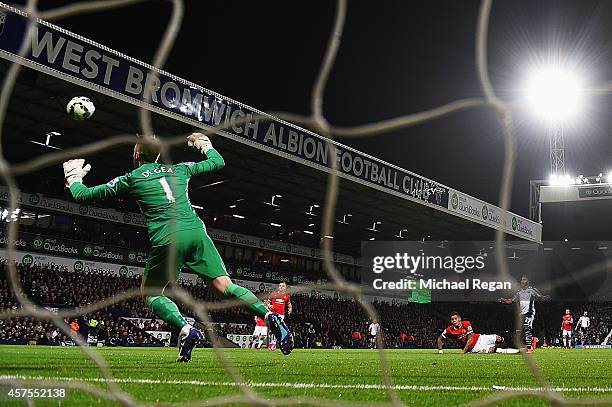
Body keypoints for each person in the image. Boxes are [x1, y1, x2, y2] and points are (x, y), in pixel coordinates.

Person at [63, 133, 293, 361]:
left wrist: (74, 178)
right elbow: (218, 162)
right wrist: (205, 146)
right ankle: (269, 315)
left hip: (168, 237)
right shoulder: (180, 169)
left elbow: (84, 196)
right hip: (196, 231)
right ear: (160, 154)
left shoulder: (132, 177)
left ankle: (185, 328)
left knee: (152, 293)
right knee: (225, 285)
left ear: (135, 154)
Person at [500, 274, 550, 353]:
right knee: (520, 331)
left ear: (528, 281)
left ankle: (529, 349)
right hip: (521, 314)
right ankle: (531, 342)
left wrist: (545, 297)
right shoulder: (519, 292)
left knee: (527, 329)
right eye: (522, 280)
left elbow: (539, 297)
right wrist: (504, 300)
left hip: (529, 312)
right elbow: (512, 300)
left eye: (524, 279)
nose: (522, 281)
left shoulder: (532, 290)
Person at [437, 311, 518, 354]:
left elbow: (471, 338)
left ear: (459, 319)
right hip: (474, 348)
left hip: (480, 338)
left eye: (456, 318)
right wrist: (440, 350)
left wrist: (463, 351)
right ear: (450, 321)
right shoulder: (449, 330)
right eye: (452, 319)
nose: (454, 321)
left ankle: (508, 345)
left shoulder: (466, 323)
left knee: (498, 338)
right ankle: (515, 351)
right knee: (492, 350)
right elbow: (440, 338)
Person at [268, 282, 292, 351]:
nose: (281, 287)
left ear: (285, 288)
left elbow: (289, 304)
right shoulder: (273, 294)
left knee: (276, 328)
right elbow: (267, 302)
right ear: (278, 287)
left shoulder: (287, 296)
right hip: (272, 313)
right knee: (271, 330)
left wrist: (290, 309)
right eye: (280, 286)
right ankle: (272, 342)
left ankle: (273, 343)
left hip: (281, 315)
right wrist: (269, 305)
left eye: (283, 286)